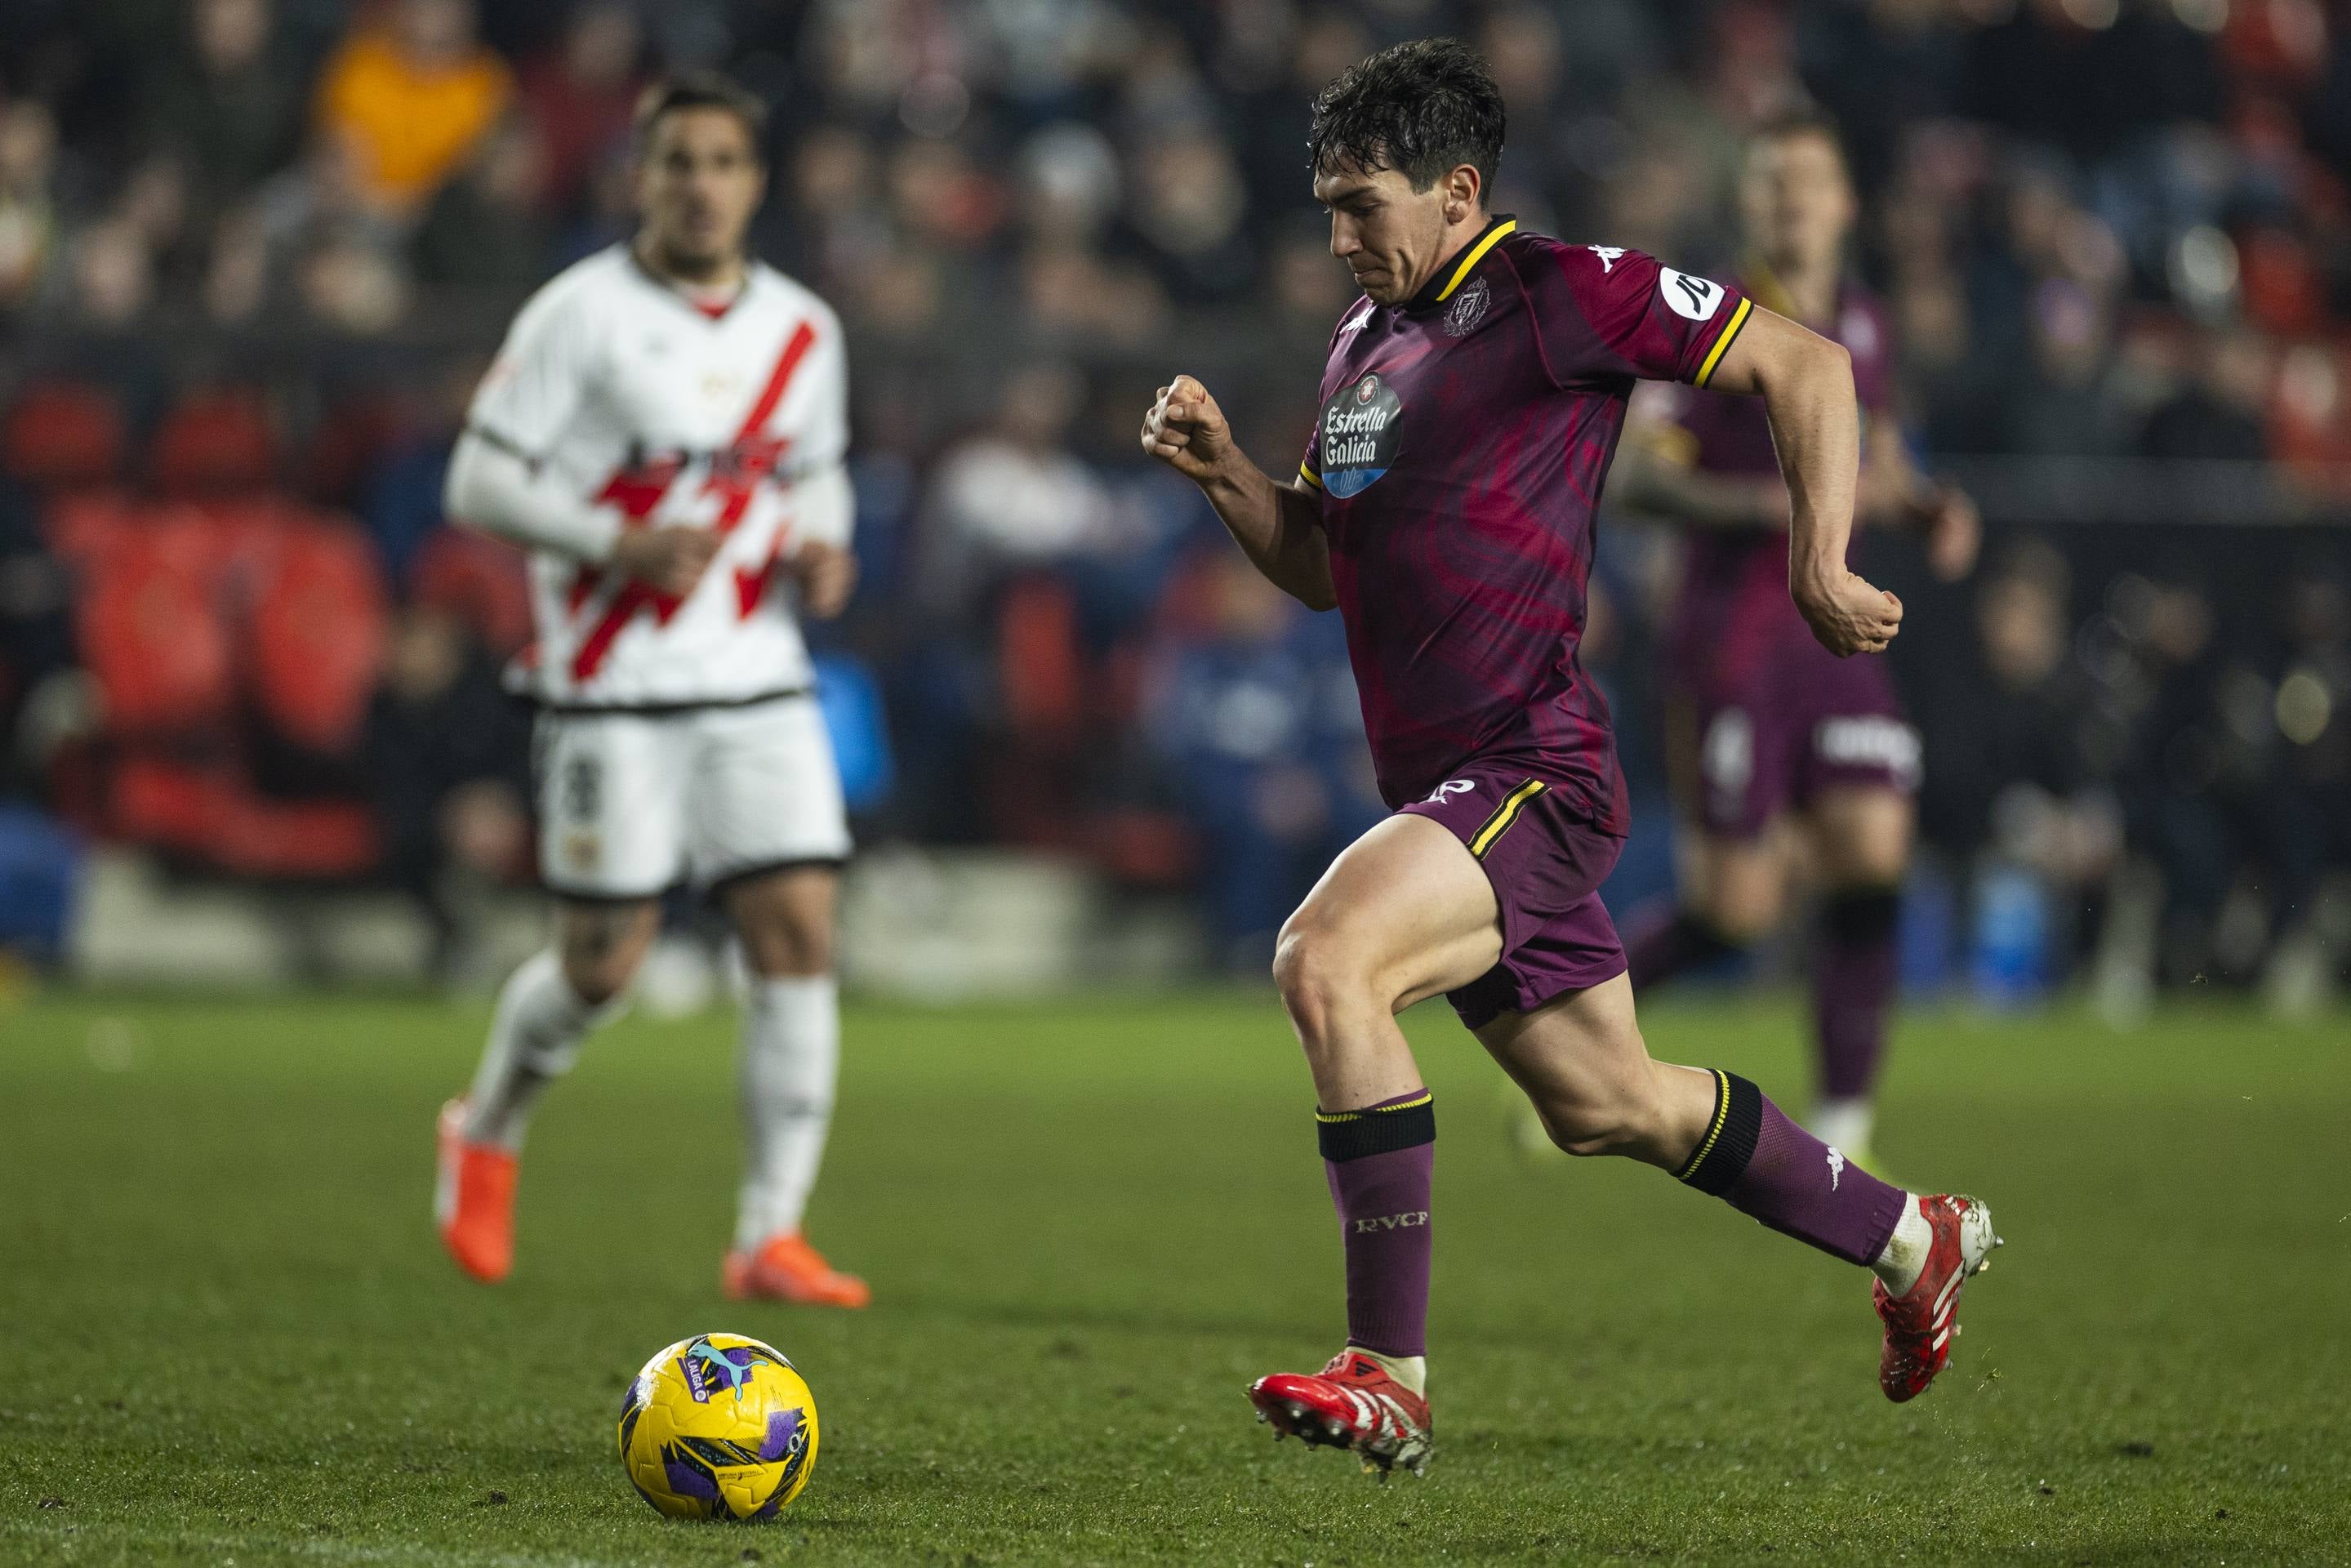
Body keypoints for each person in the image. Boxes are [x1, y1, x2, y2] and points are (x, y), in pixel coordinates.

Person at [1138, 41, 1999, 1477]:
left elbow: (1807, 361)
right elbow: (1321, 568)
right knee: (1611, 1104)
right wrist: (1231, 470)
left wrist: (1819, 559)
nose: (1341, 239)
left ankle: (1391, 1375)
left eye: (1364, 205)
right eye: (1328, 209)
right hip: (1445, 791)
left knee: (1327, 960)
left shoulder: (1560, 293)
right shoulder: (1363, 347)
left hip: (1532, 766)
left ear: (1458, 187)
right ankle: (1916, 1234)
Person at [433, 73, 869, 1307]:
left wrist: (824, 545)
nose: (700, 184)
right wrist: (607, 542)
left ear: (756, 181)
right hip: (613, 684)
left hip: (758, 677)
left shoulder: (803, 331)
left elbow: (816, 476)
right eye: (677, 161)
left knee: (797, 931)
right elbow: (476, 480)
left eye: (723, 161)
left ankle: (768, 1235)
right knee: (601, 966)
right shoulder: (580, 316)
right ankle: (487, 1125)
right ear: (641, 176)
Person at [1608, 114, 1980, 1174]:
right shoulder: (1712, 318)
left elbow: (1875, 456)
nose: (1792, 204)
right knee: (1734, 910)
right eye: (1772, 186)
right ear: (1751, 206)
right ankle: (1575, 1041)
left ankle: (1849, 1121)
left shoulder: (1864, 322)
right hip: (1731, 642)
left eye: (1809, 184)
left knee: (1872, 856)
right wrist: (1761, 507)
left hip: (1836, 637)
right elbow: (1638, 477)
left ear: (1845, 202)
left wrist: (1924, 505)